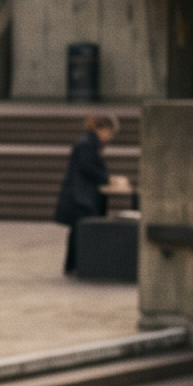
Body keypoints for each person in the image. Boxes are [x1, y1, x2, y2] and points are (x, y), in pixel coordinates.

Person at [54, 112, 125, 273]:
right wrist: (110, 179)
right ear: (102, 129)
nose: (109, 137)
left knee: (78, 231)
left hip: (80, 195)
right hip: (81, 197)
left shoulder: (88, 142)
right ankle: (77, 265)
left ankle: (73, 265)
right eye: (110, 132)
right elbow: (89, 168)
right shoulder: (88, 144)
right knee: (81, 231)